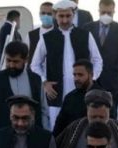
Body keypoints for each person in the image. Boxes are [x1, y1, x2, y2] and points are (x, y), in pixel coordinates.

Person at [30, 0, 102, 128]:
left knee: (82, 128)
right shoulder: (47, 38)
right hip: (56, 94)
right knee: (57, 129)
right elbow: (35, 65)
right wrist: (44, 82)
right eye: (61, 16)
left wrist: (92, 79)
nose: (64, 20)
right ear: (55, 16)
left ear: (73, 15)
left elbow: (97, 60)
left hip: (82, 92)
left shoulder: (85, 35)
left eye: (68, 16)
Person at [0, 41, 49, 136]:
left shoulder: (36, 80)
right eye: (8, 61)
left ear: (26, 60)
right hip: (4, 139)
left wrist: (45, 135)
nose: (11, 65)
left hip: (32, 139)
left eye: (16, 61)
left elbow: (44, 111)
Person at [84, 0, 118, 118]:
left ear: (114, 12)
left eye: (109, 13)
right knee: (88, 114)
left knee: (111, 116)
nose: (106, 15)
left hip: (112, 81)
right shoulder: (88, 28)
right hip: (91, 80)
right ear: (98, 11)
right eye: (103, 12)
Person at [52, 59, 101, 136]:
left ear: (91, 75)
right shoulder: (69, 98)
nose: (76, 78)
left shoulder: (103, 97)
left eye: (80, 75)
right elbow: (59, 126)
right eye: (74, 75)